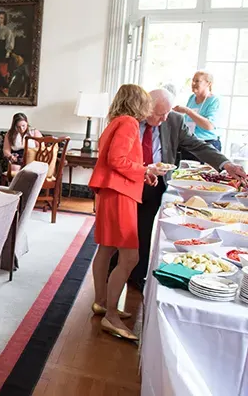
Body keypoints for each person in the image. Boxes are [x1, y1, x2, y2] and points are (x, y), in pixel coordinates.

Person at [112, 88, 248, 290]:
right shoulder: (128, 120)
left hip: (155, 184)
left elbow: (198, 145)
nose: (164, 118)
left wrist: (226, 164)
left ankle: (136, 278)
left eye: (167, 113)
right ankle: (111, 276)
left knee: (144, 230)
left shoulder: (174, 120)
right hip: (126, 183)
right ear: (146, 108)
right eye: (159, 114)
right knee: (120, 232)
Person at [88, 84, 161, 342]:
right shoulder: (129, 122)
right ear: (137, 103)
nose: (149, 108)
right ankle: (111, 316)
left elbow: (115, 159)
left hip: (111, 192)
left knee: (106, 249)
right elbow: (117, 160)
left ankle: (101, 302)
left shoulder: (115, 122)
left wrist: (144, 173)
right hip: (120, 195)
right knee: (130, 257)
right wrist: (145, 170)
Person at [175, 70, 222, 157]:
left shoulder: (214, 100)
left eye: (197, 81)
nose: (193, 83)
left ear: (208, 83)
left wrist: (188, 111)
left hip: (207, 143)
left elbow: (209, 126)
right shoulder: (192, 98)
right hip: (190, 142)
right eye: (193, 80)